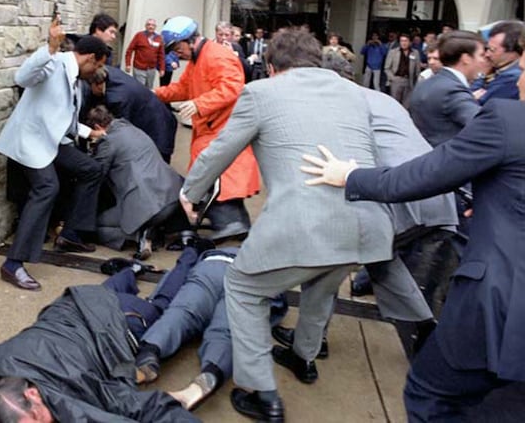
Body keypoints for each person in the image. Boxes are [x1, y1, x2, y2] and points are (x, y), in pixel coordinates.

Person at [179, 28, 393, 422]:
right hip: (367, 224)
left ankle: (262, 393)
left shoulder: (262, 92)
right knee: (322, 282)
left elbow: (221, 149)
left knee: (243, 288)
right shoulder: (353, 92)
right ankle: (303, 357)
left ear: (273, 67)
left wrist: (190, 192)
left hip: (307, 220)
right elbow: (375, 156)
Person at [300, 47, 525, 419]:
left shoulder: (509, 119)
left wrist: (350, 176)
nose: (517, 78)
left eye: (523, 69)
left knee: (428, 395)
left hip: (501, 305)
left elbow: (423, 176)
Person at [0, 285, 201, 423]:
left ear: (34, 395)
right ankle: (127, 273)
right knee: (114, 285)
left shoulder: (73, 384)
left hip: (121, 321)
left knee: (164, 305)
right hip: (74, 304)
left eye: (36, 419)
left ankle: (192, 258)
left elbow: (144, 408)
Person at [0, 21, 108, 291]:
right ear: (90, 58)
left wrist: (87, 132)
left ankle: (70, 234)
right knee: (47, 187)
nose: (97, 72)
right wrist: (50, 47)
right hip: (30, 140)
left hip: (53, 141)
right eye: (97, 65)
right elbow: (22, 78)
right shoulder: (55, 63)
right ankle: (13, 263)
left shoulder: (77, 80)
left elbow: (63, 118)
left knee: (91, 169)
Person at [155, 16, 260, 241]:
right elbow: (183, 88)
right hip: (213, 130)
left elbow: (233, 87)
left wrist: (198, 104)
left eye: (176, 48)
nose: (176, 53)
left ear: (188, 41)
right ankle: (233, 222)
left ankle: (231, 223)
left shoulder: (216, 55)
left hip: (222, 131)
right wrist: (154, 95)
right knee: (216, 181)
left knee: (210, 177)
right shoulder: (199, 59)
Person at [135, 247, 238, 411]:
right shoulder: (270, 261)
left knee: (182, 312)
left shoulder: (214, 251)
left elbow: (177, 276)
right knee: (224, 333)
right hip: (250, 277)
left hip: (212, 266)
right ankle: (209, 375)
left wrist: (155, 298)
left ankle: (151, 349)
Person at [87, 106, 190, 258]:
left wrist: (93, 149)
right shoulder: (132, 128)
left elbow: (97, 173)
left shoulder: (108, 141)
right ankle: (152, 228)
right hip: (173, 195)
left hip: (149, 206)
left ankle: (139, 236)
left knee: (94, 225)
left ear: (97, 127)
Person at [85, 66, 177, 162]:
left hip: (158, 128)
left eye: (90, 87)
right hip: (157, 117)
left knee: (157, 164)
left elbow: (121, 130)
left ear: (97, 85)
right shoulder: (108, 72)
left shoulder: (117, 98)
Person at [409, 30, 483, 147]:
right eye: (481, 55)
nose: (483, 60)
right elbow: (484, 127)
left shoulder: (426, 83)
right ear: (466, 58)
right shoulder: (452, 91)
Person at [472, 20, 523, 104]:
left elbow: (477, 105)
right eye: (487, 48)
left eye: (492, 50)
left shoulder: (511, 77)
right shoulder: (500, 69)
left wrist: (481, 75)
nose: (487, 54)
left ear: (513, 52)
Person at [124, 18, 165, 88]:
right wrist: (128, 64)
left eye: (153, 25)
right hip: (139, 68)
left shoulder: (159, 38)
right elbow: (129, 50)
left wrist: (162, 69)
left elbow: (161, 55)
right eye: (148, 25)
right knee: (140, 88)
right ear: (145, 26)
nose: (150, 27)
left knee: (149, 89)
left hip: (151, 69)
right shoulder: (139, 35)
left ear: (155, 27)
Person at [384, 32, 420, 108]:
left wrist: (416, 83)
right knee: (395, 104)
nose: (403, 43)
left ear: (410, 42)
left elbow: (417, 70)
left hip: (409, 81)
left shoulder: (415, 53)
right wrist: (392, 78)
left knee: (406, 105)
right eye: (401, 41)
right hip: (396, 79)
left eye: (405, 41)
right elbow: (387, 68)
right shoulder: (393, 52)